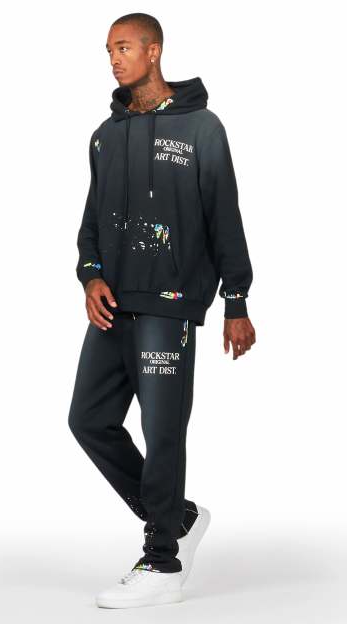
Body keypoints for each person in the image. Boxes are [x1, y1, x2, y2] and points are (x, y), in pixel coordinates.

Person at [68, 12, 256, 609]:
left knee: (162, 430)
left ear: (153, 51)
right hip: (113, 306)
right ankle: (178, 516)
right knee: (88, 420)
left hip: (169, 306)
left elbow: (223, 215)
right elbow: (91, 222)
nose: (113, 59)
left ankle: (163, 561)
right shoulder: (105, 134)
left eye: (123, 48)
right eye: (108, 50)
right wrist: (91, 275)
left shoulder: (202, 128)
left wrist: (236, 300)